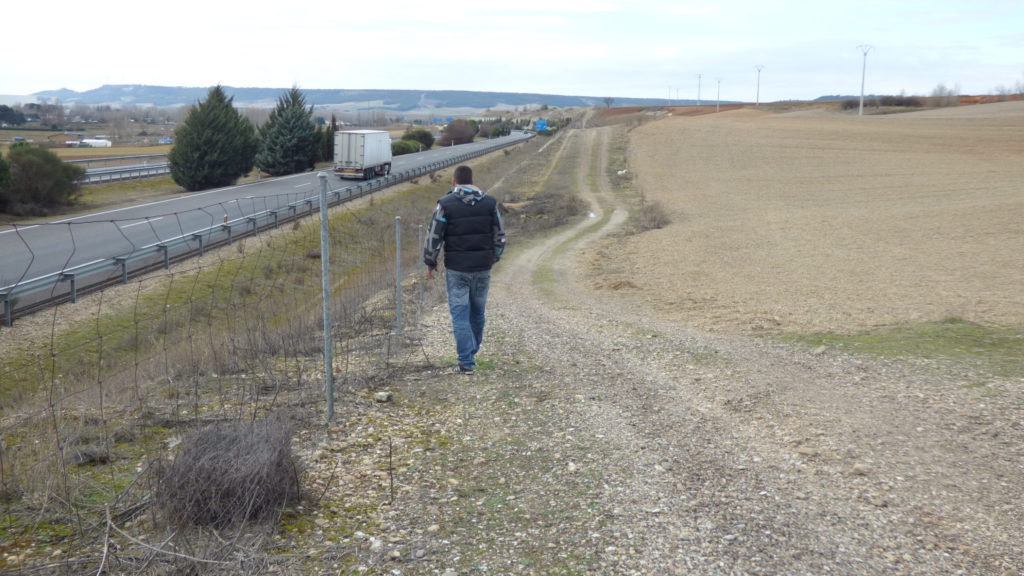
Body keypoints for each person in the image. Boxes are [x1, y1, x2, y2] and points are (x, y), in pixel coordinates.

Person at [424, 165, 506, 375]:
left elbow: (434, 235)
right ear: (472, 181)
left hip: (457, 269)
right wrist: (494, 256)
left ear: (454, 182)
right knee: (477, 312)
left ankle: (466, 362)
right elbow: (500, 234)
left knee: (460, 314)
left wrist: (430, 262)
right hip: (482, 268)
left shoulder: (445, 204)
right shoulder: (490, 203)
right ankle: (472, 352)